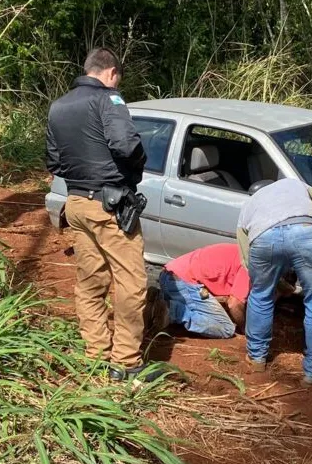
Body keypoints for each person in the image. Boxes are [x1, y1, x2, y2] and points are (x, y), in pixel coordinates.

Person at [46, 47, 150, 381]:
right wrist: (133, 173)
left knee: (90, 283)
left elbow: (53, 161)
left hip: (76, 204)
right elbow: (127, 146)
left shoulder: (58, 107)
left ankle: (95, 355)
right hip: (111, 206)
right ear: (111, 73)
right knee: (131, 282)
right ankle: (126, 362)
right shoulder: (110, 100)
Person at [236, 178, 312, 386]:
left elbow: (247, 256)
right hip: (308, 232)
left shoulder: (250, 203)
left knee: (260, 296)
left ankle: (256, 359)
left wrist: (269, 281)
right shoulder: (298, 185)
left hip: (264, 237)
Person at [156, 243, 249, 339]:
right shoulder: (250, 264)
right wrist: (246, 329)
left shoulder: (245, 251)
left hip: (171, 277)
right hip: (182, 282)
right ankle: (171, 310)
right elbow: (234, 304)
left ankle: (160, 299)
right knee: (226, 328)